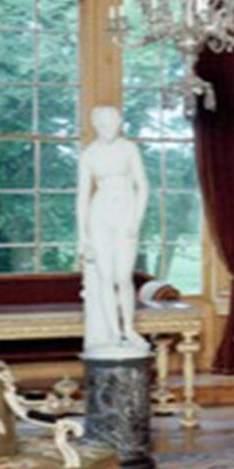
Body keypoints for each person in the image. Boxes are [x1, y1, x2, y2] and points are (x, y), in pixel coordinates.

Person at [76, 105, 150, 354]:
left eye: (113, 123)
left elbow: (143, 187)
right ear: (95, 125)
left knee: (122, 277)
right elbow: (82, 198)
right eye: (103, 124)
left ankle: (129, 328)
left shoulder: (128, 149)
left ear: (119, 123)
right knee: (105, 278)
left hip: (125, 213)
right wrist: (82, 237)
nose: (109, 128)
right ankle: (114, 333)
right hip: (100, 214)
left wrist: (136, 219)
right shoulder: (89, 154)